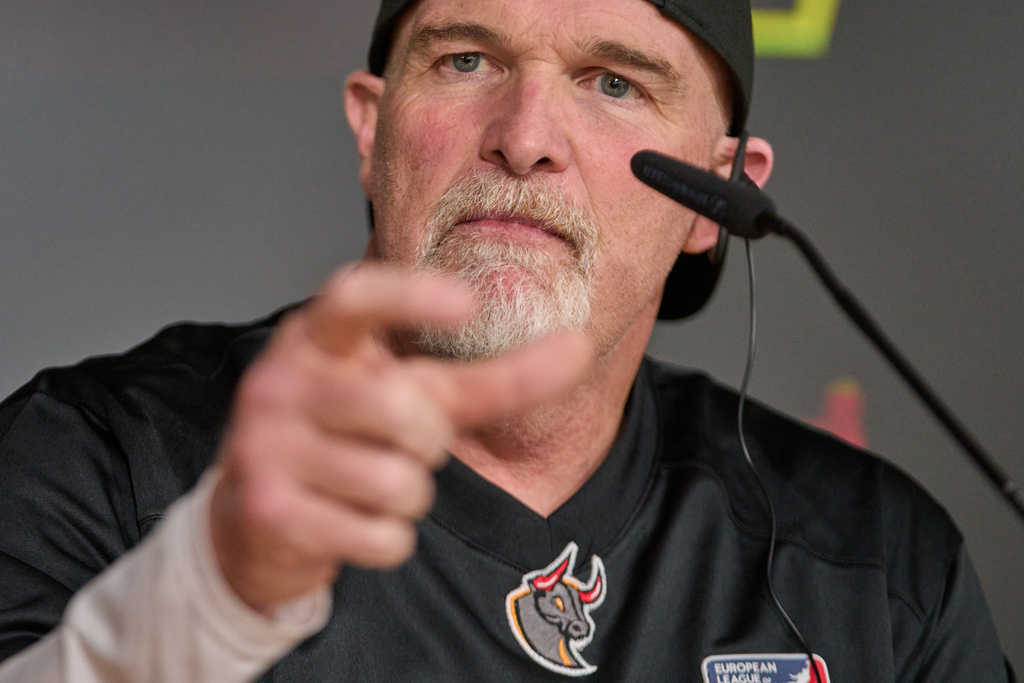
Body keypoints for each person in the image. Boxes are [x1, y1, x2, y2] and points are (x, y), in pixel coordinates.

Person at [0, 0, 1012, 680]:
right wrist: (200, 599)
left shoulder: (878, 565)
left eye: (614, 82)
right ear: (371, 127)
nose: (525, 134)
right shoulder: (95, 459)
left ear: (722, 195)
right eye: (467, 59)